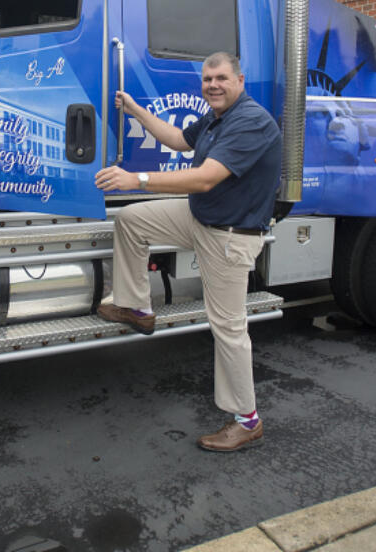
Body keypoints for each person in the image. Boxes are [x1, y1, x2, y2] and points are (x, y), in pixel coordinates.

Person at [93, 51, 281, 452]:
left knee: (228, 327)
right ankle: (136, 307)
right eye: (207, 79)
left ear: (240, 80)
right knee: (131, 221)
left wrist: (137, 178)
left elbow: (206, 178)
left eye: (221, 78)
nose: (212, 85)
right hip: (201, 219)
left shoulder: (251, 122)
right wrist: (136, 110)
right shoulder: (216, 118)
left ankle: (247, 420)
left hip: (229, 235)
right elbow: (178, 140)